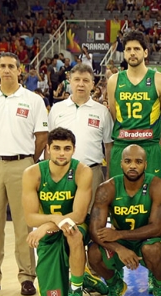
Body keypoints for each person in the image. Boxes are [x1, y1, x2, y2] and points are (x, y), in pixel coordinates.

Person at [0, 52, 48, 296]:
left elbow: (42, 137)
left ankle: (27, 276)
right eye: (2, 66)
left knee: (24, 224)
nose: (6, 70)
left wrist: (28, 161)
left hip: (22, 165)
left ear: (19, 70)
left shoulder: (33, 100)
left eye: (11, 66)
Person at [21, 127, 102, 296]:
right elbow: (30, 217)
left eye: (67, 148)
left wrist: (50, 223)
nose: (61, 153)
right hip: (48, 232)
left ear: (74, 149)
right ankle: (85, 278)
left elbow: (79, 215)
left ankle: (76, 291)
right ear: (48, 149)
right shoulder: (32, 173)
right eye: (56, 148)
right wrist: (55, 220)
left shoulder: (83, 171)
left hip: (75, 225)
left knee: (72, 233)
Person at [87, 144, 161, 296]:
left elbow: (157, 228)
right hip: (121, 243)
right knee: (94, 252)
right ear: (121, 164)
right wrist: (119, 249)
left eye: (138, 161)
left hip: (146, 241)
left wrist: (118, 235)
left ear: (146, 165)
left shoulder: (157, 186)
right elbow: (95, 230)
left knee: (152, 249)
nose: (133, 165)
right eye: (128, 161)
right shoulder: (107, 188)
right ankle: (115, 284)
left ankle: (160, 286)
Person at [105, 31, 161, 180]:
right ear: (124, 54)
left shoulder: (160, 80)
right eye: (128, 49)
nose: (132, 53)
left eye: (136, 49)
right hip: (122, 145)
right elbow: (114, 114)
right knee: (119, 199)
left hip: (149, 146)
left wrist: (154, 136)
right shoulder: (114, 81)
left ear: (146, 52)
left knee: (153, 197)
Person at [49, 63, 112, 207]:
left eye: (85, 80)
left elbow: (109, 146)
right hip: (61, 171)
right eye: (77, 80)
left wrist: (109, 175)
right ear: (69, 82)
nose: (81, 84)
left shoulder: (102, 112)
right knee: (62, 218)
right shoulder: (57, 109)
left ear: (93, 84)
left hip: (92, 172)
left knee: (91, 219)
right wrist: (49, 173)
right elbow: (50, 145)